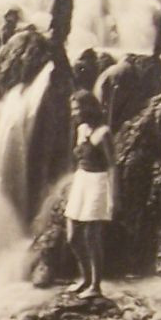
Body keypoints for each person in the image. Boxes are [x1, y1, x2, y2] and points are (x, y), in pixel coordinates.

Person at [65, 87, 115, 296]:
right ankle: (85, 279)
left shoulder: (104, 133)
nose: (73, 113)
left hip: (98, 182)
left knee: (92, 235)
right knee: (72, 236)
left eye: (76, 108)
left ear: (87, 108)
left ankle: (96, 286)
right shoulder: (81, 129)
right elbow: (79, 159)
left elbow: (113, 165)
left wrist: (113, 196)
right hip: (82, 180)